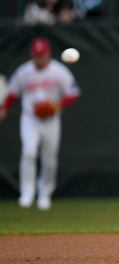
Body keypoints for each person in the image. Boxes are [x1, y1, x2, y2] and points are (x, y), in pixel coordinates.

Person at [0, 38, 80, 210]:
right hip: (30, 118)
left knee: (49, 159)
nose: (40, 59)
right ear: (32, 55)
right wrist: (4, 108)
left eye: (42, 56)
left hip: (51, 120)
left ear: (48, 54)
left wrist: (57, 105)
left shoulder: (59, 71)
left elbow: (74, 92)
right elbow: (13, 92)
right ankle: (27, 193)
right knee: (29, 153)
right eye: (37, 56)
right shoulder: (24, 71)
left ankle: (44, 194)